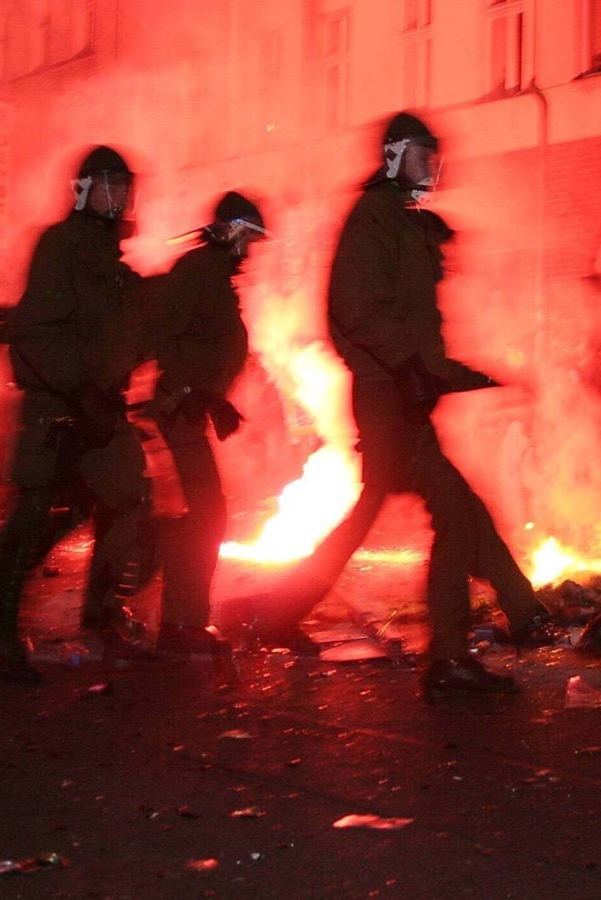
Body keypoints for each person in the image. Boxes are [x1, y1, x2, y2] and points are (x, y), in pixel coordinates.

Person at [303, 111, 559, 698]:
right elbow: (355, 310)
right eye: (422, 155)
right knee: (455, 509)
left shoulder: (398, 219)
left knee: (450, 508)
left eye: (434, 156)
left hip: (402, 395)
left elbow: (415, 332)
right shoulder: (374, 218)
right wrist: (412, 368)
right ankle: (454, 653)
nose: (432, 167)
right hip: (386, 397)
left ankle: (519, 615)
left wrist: (469, 376)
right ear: (394, 155)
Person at [0, 145, 163, 681]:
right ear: (83, 189)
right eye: (109, 185)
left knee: (127, 495)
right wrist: (78, 388)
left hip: (99, 409)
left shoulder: (110, 262)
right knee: (36, 519)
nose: (121, 196)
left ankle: (101, 615)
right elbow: (35, 331)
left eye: (125, 186)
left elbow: (120, 332)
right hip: (58, 410)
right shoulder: (60, 246)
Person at [142, 192, 264, 659]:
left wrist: (211, 397)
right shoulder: (198, 272)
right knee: (206, 515)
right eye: (249, 237)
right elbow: (164, 334)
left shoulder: (212, 275)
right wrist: (191, 392)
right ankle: (181, 624)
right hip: (178, 408)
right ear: (232, 230)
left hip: (189, 406)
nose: (251, 249)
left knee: (202, 513)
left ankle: (180, 618)